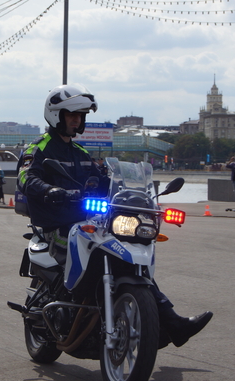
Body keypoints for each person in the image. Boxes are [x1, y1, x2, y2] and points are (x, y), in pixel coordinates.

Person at [18, 84, 212, 348]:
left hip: (88, 219)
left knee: (123, 249)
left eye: (80, 116)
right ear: (56, 115)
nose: (77, 120)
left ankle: (170, 321)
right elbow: (25, 177)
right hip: (56, 225)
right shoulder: (39, 148)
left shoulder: (81, 153)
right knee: (88, 243)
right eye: (72, 115)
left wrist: (132, 192)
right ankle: (70, 300)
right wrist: (49, 189)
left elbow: (107, 181)